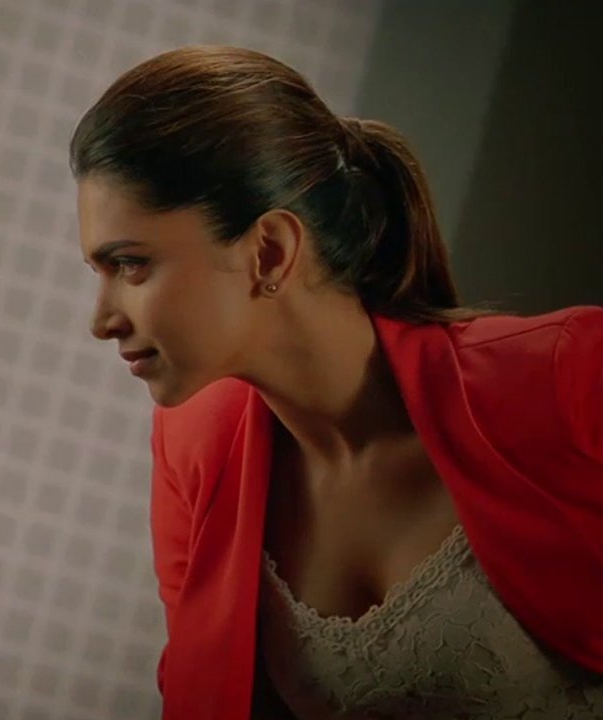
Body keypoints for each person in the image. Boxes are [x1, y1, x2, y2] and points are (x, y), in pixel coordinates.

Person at [70, 46, 603, 720]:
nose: (102, 320)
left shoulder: (569, 374)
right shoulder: (193, 449)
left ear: (269, 251)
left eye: (131, 265)